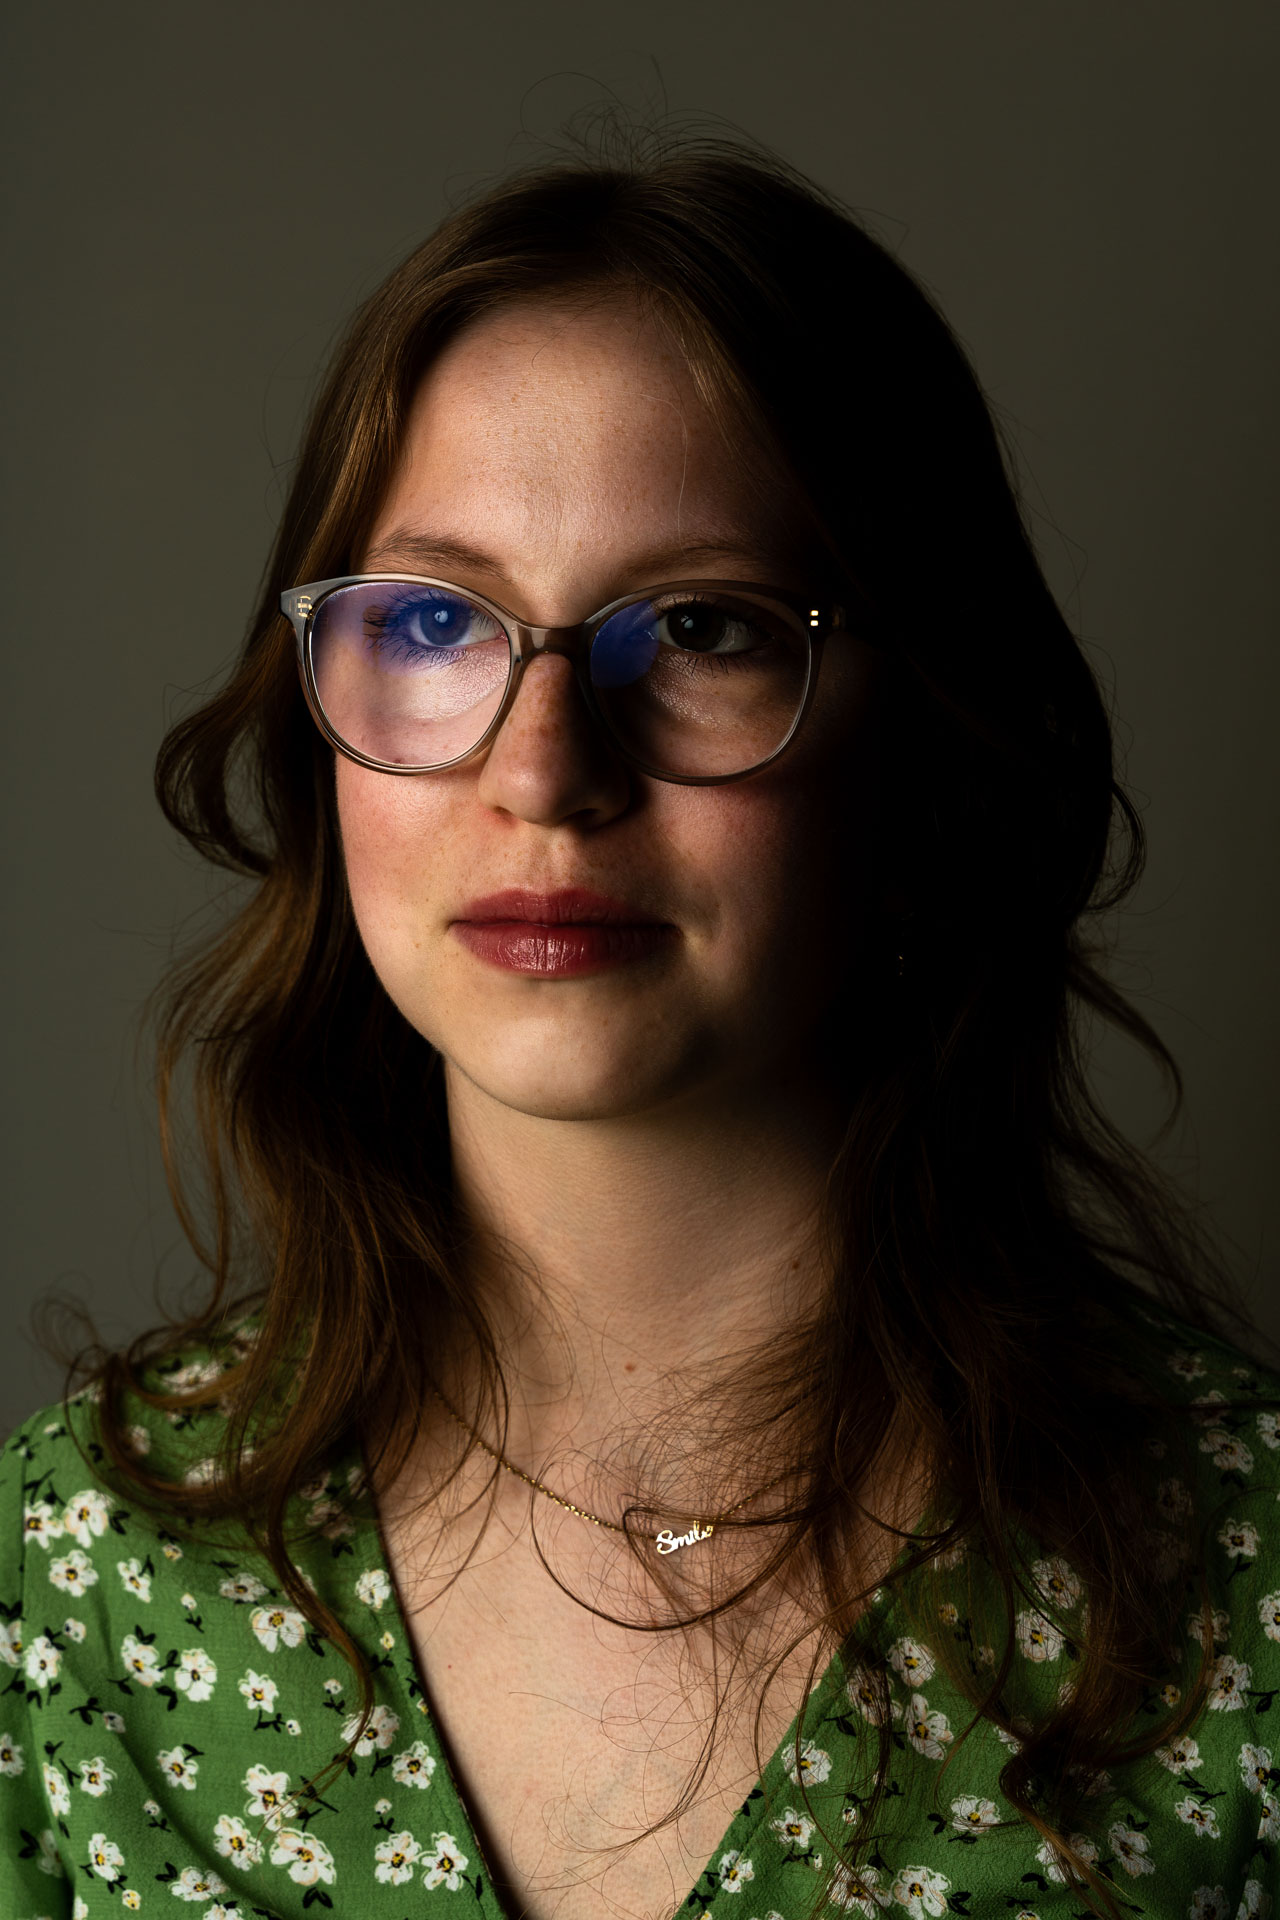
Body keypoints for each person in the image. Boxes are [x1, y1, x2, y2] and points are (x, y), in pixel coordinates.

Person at [2, 133, 1276, 1920]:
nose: (545, 770)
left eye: (696, 626)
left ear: (927, 736)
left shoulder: (1244, 1598)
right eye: (434, 619)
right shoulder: (75, 1577)